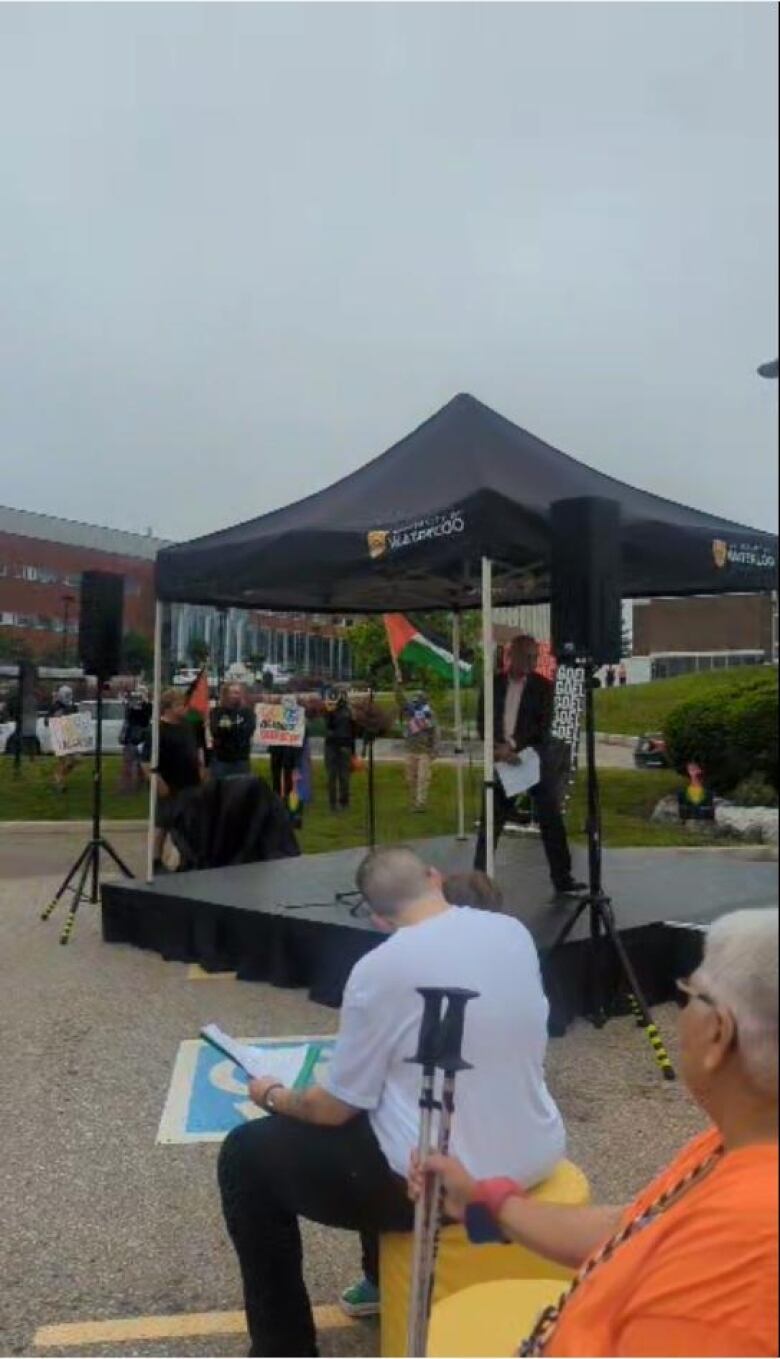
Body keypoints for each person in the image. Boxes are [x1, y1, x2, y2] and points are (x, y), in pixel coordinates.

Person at [217, 846, 565, 1356]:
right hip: (535, 1152)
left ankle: (282, 1347)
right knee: (387, 1111)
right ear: (435, 877)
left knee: (247, 1155)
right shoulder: (511, 932)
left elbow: (333, 1107)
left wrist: (272, 1095)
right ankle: (382, 1279)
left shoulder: (378, 970)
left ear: (379, 919)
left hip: (447, 1180)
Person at [411, 907, 778, 1358]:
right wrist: (484, 1203)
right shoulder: (746, 1141)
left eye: (688, 995)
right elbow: (638, 1232)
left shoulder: (731, 1271)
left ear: (719, 1032)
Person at [474, 634, 583, 896]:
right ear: (511, 656)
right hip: (501, 759)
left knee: (551, 818)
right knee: (491, 820)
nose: (532, 662)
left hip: (531, 760)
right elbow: (481, 721)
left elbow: (543, 727)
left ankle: (562, 877)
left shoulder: (543, 687)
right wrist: (498, 748)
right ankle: (478, 878)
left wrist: (516, 748)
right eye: (528, 656)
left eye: (536, 657)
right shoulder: (493, 684)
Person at [141, 688, 204, 871]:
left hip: (190, 782)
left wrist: (200, 767)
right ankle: (156, 860)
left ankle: (186, 857)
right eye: (180, 705)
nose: (185, 708)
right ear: (168, 708)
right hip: (168, 783)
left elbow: (197, 747)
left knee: (188, 823)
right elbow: (145, 762)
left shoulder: (187, 726)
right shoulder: (156, 730)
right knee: (163, 823)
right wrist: (157, 781)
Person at [395, 682, 438, 812]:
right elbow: (400, 699)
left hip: (424, 751)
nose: (415, 702)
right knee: (410, 778)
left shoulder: (429, 714)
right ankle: (414, 801)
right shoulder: (410, 712)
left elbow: (434, 733)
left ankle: (421, 803)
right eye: (414, 700)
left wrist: (433, 749)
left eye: (418, 700)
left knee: (422, 778)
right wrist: (397, 685)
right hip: (410, 750)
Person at [209, 683, 256, 778]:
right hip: (221, 760)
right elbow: (216, 732)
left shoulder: (248, 713)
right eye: (234, 693)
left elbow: (247, 732)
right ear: (226, 694)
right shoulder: (217, 712)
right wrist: (236, 727)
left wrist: (229, 728)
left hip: (241, 759)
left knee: (241, 790)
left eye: (238, 693)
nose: (236, 696)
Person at [323, 691, 356, 811]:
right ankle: (342, 802)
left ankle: (337, 803)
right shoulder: (346, 711)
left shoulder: (343, 712)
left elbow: (330, 727)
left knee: (337, 776)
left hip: (337, 746)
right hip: (340, 746)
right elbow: (353, 732)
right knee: (340, 776)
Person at [119, 687, 152, 793]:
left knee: (141, 764)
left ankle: (139, 786)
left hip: (141, 738)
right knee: (128, 763)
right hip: (131, 738)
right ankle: (127, 787)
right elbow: (129, 715)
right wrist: (128, 701)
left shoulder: (148, 706)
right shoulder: (131, 708)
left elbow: (146, 716)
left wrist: (145, 701)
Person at [49, 684, 79, 792]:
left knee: (75, 760)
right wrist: (56, 716)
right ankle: (59, 782)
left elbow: (77, 720)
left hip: (70, 735)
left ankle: (58, 777)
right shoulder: (56, 706)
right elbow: (49, 721)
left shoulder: (73, 706)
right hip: (59, 736)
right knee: (63, 761)